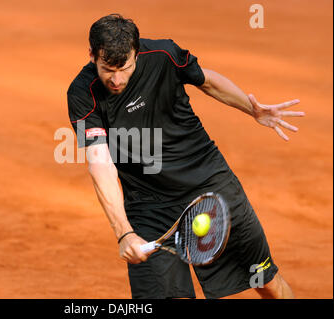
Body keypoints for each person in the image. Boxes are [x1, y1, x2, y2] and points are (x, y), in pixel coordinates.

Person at [67, 13, 304, 299]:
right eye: (107, 69)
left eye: (125, 68)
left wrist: (251, 108)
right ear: (92, 54)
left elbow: (207, 81)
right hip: (149, 207)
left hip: (211, 186)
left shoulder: (164, 55)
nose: (117, 79)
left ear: (137, 53)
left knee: (265, 280)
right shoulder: (82, 93)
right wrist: (124, 231)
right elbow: (100, 162)